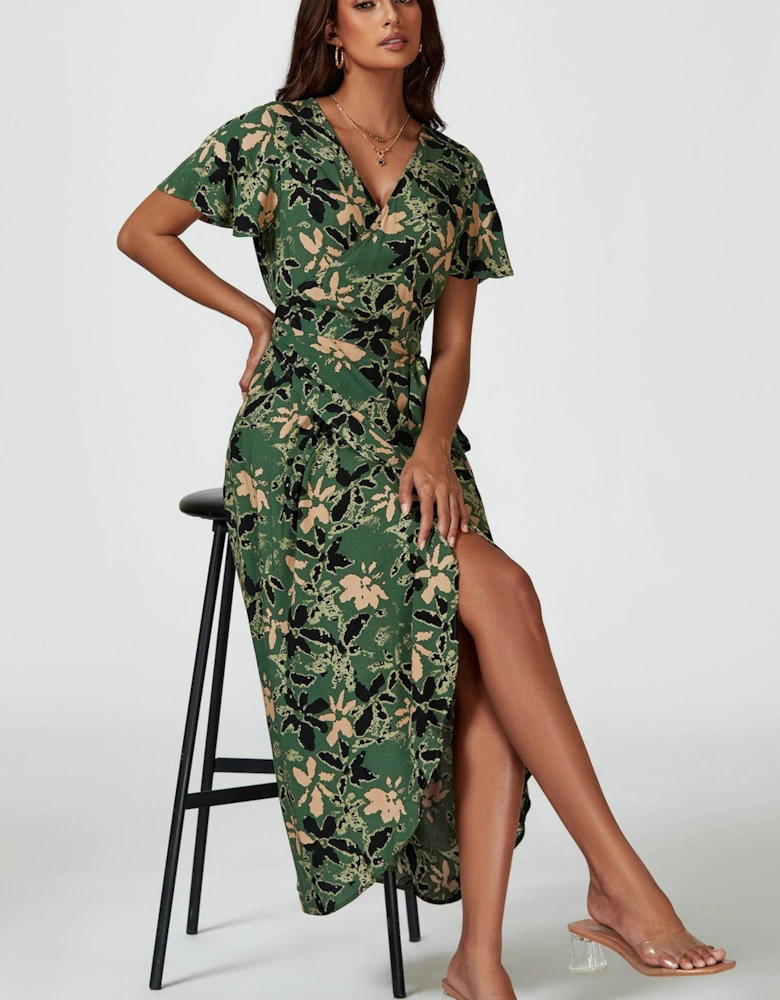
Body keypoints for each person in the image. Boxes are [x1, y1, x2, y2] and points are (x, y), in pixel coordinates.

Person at [117, 2, 735, 997]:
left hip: (413, 446)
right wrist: (256, 318)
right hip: (300, 450)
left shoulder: (454, 172)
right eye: (365, 0)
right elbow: (142, 231)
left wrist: (436, 448)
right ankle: (621, 884)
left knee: (486, 650)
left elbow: (452, 349)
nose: (391, 13)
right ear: (331, 28)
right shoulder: (270, 138)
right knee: (506, 592)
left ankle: (479, 961)